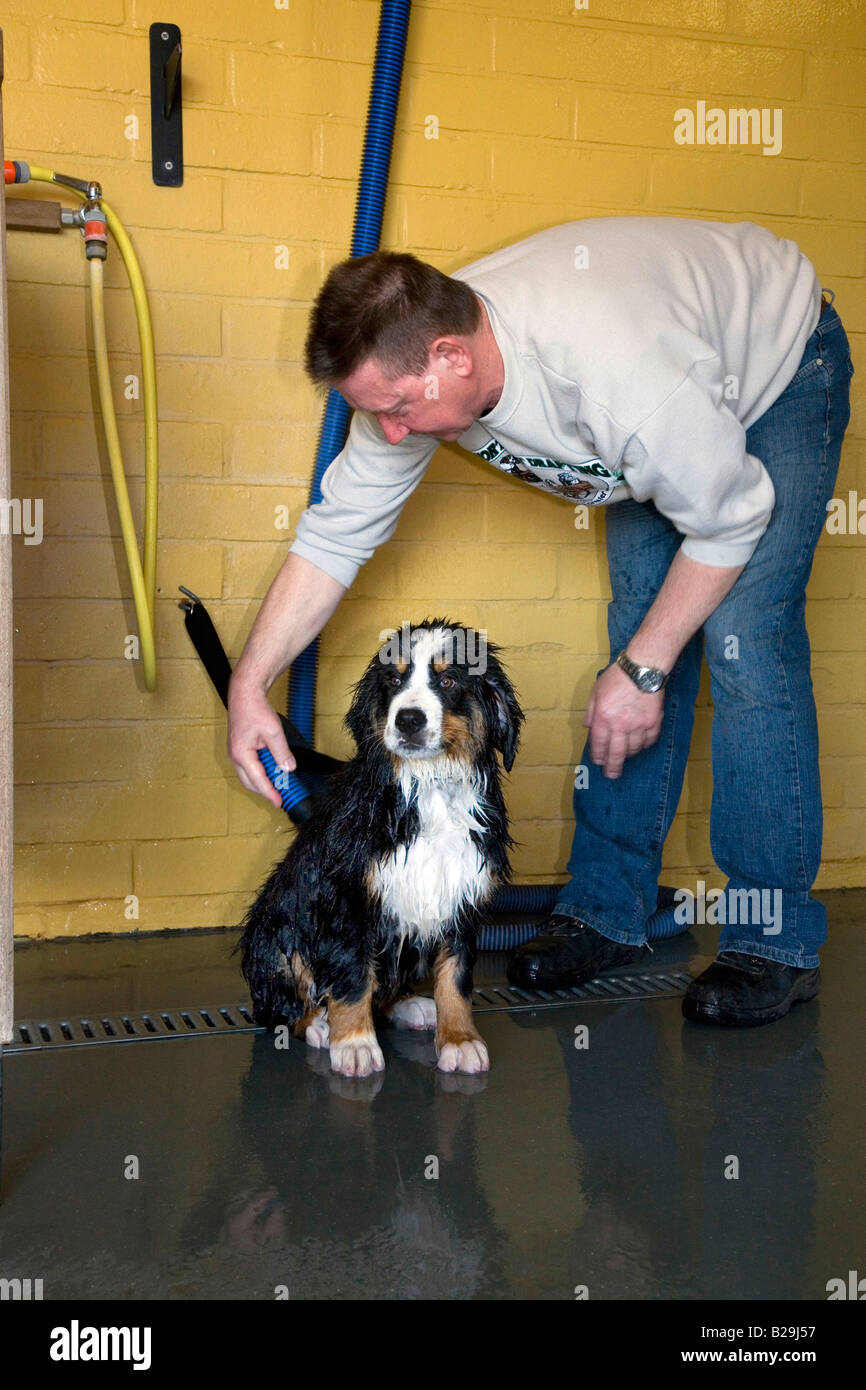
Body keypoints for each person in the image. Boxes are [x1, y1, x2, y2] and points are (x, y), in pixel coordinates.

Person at [227, 215, 853, 1029]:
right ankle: (605, 911)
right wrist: (250, 684)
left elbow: (733, 519)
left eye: (394, 410)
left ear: (451, 356)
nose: (389, 432)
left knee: (744, 642)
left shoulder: (614, 372)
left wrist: (646, 669)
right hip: (663, 413)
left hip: (775, 367)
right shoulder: (411, 365)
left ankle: (773, 942)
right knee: (639, 636)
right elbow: (337, 532)